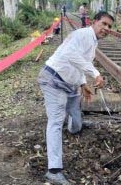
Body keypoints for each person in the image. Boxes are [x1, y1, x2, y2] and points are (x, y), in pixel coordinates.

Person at [37, 12, 114, 185]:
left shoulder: (93, 42)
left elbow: (79, 63)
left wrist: (83, 84)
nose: (106, 29)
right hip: (53, 80)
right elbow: (71, 55)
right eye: (104, 24)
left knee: (76, 123)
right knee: (56, 121)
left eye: (109, 26)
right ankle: (54, 171)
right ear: (94, 22)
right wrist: (95, 73)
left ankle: (73, 126)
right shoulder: (82, 35)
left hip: (70, 84)